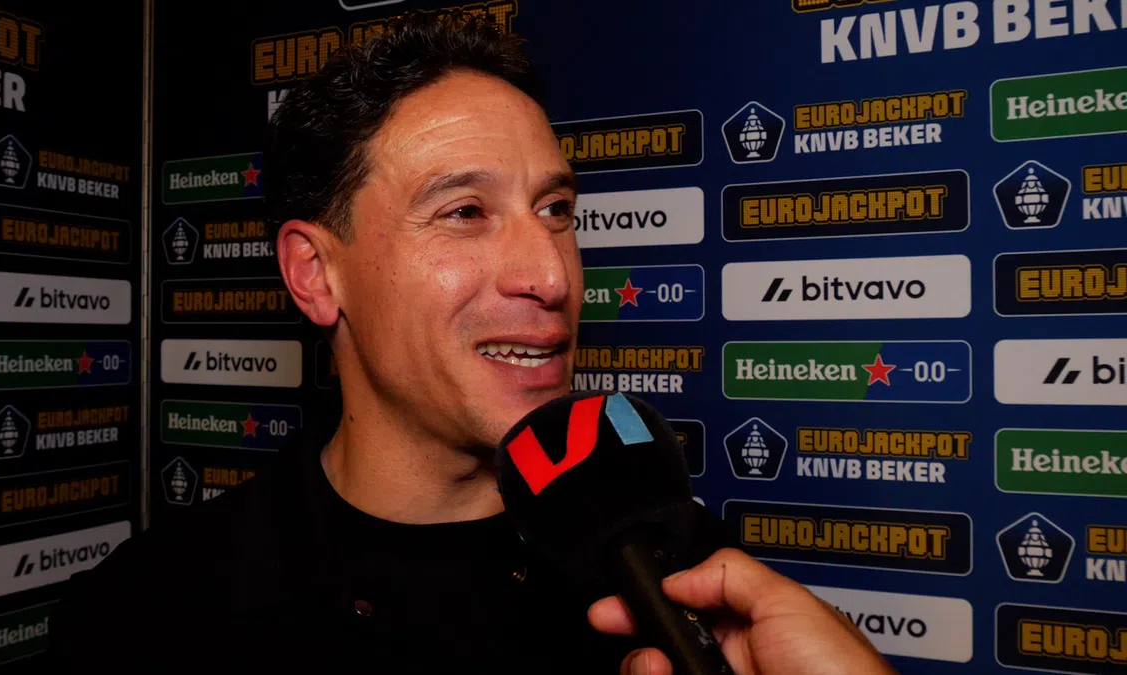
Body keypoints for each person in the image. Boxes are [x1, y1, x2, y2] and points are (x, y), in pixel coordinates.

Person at [50, 12, 895, 675]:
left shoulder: (684, 581)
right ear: (315, 273)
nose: (552, 275)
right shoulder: (147, 614)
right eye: (464, 212)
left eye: (556, 210)